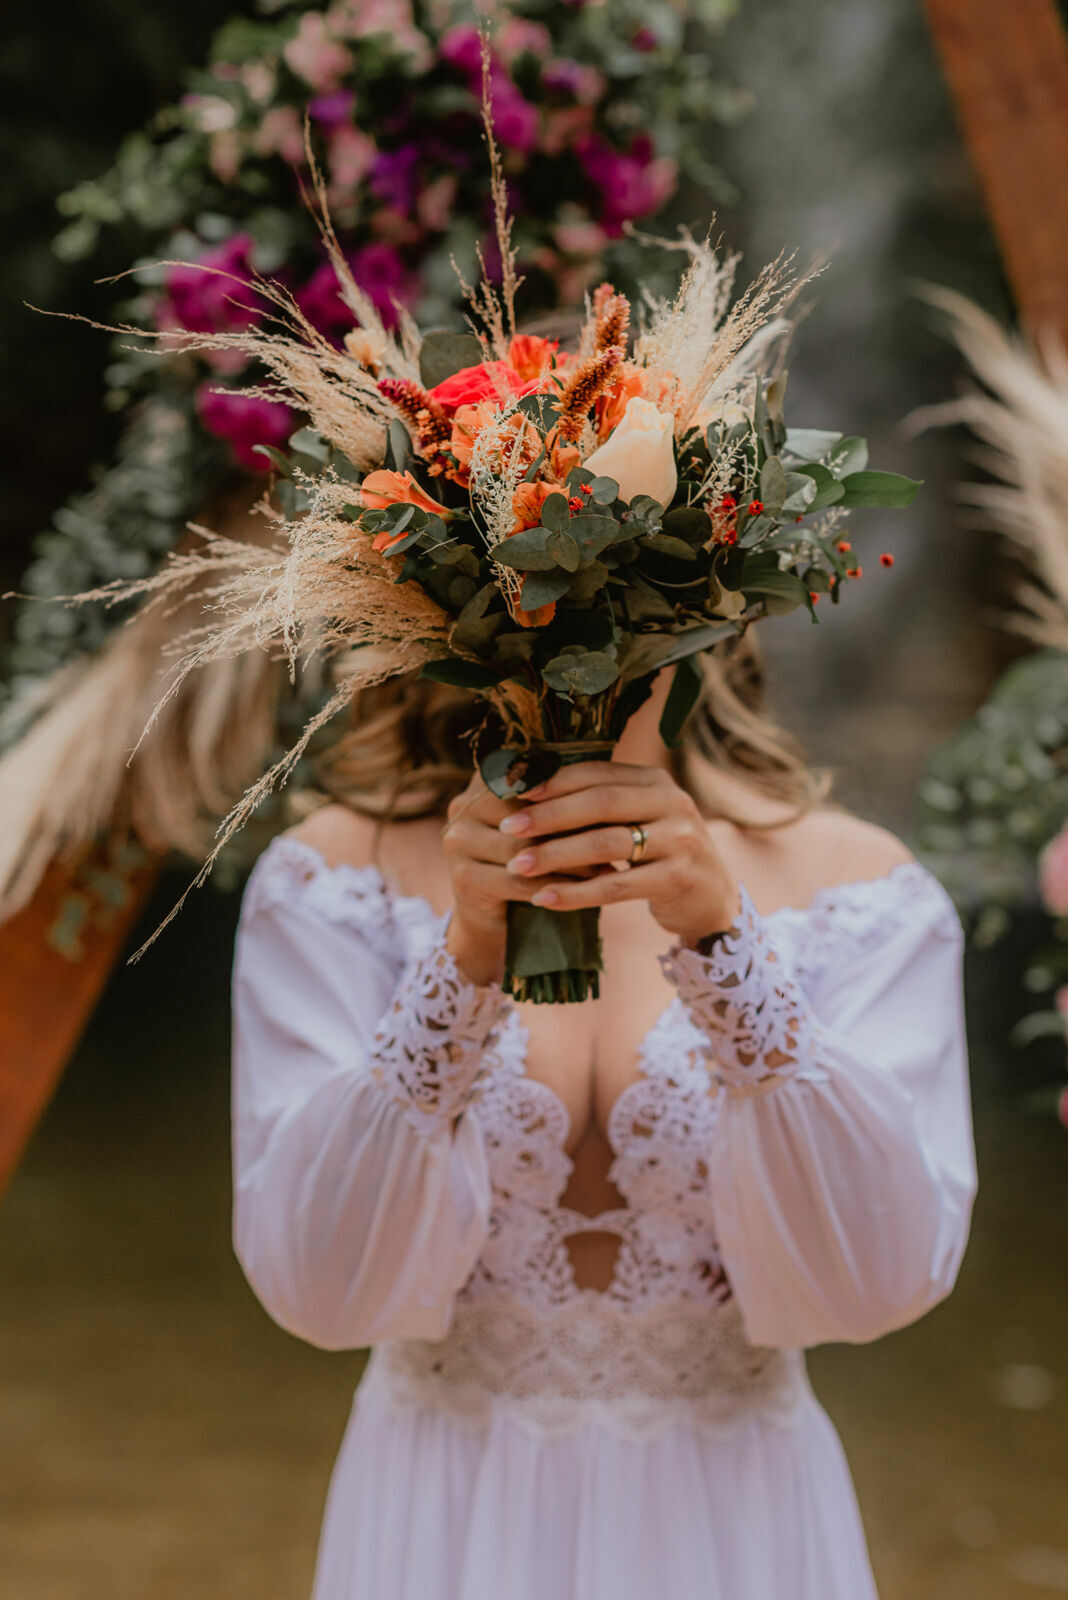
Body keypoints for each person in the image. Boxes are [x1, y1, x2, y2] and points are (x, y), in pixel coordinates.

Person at [231, 642, 976, 1600]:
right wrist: (462, 958)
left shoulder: (857, 885)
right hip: (447, 1511)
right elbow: (318, 1293)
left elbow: (875, 1288)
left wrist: (723, 941)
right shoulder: (334, 876)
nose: (570, 606)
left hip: (728, 1516)